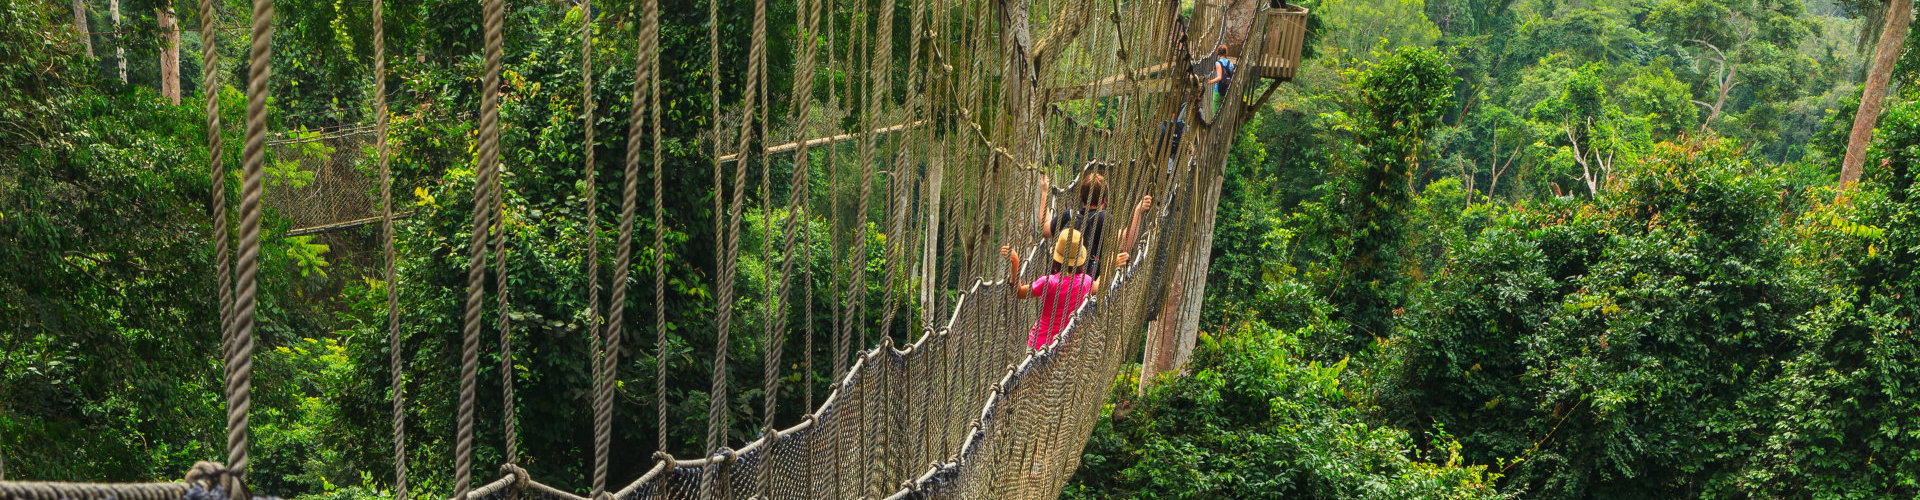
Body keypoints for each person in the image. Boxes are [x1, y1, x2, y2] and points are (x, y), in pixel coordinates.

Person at [1001, 228, 1125, 351]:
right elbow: (1099, 286)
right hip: (1066, 348)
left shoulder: (1048, 282)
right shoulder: (1085, 282)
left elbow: (1019, 293)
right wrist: (1109, 265)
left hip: (1038, 348)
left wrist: (1015, 262)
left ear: (1056, 258)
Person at [1205, 44, 1235, 112]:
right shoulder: (1231, 63)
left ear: (1218, 53)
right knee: (1223, 111)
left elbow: (1219, 77)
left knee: (1215, 112)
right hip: (1227, 90)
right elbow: (1232, 75)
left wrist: (1210, 81)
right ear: (1226, 52)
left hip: (1218, 90)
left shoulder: (1218, 63)